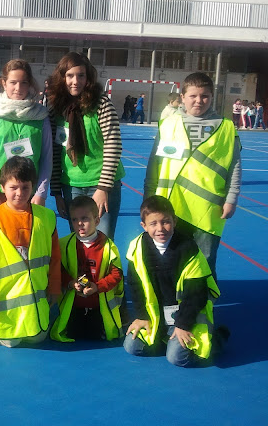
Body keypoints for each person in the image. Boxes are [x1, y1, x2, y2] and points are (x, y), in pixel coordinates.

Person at [144, 72, 241, 278]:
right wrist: (149, 197)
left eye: (205, 96)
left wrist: (231, 199)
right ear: (182, 97)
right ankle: (175, 298)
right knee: (172, 259)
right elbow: (154, 164)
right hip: (171, 206)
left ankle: (203, 298)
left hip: (208, 209)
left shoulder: (226, 127)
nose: (199, 101)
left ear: (212, 97)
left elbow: (235, 166)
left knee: (205, 261)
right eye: (193, 96)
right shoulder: (168, 124)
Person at [123, 196, 221, 367]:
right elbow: (135, 285)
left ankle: (217, 340)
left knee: (177, 358)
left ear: (174, 221)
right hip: (158, 317)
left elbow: (196, 294)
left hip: (185, 315)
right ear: (144, 226)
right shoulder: (137, 248)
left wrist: (183, 325)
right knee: (132, 346)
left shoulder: (189, 249)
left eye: (165, 222)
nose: (160, 228)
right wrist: (142, 316)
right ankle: (166, 339)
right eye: (153, 224)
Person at [0, 156, 61, 347]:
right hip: (4, 301)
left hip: (34, 303)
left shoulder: (46, 218)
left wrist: (55, 287)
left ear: (33, 187)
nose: (19, 193)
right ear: (2, 187)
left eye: (25, 187)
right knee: (8, 342)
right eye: (13, 187)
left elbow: (54, 258)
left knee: (38, 337)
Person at [47, 52, 125, 240]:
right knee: (79, 243)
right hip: (71, 186)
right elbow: (55, 152)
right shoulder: (56, 108)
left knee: (102, 242)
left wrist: (103, 188)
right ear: (62, 77)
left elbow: (113, 145)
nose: (75, 81)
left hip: (102, 184)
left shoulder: (101, 104)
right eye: (70, 76)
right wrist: (57, 193)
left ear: (88, 77)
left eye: (81, 75)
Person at [0, 59, 52, 211]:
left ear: (29, 84)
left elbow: (47, 157)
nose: (18, 88)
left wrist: (41, 193)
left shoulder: (41, 116)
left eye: (24, 82)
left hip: (30, 195)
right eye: (13, 82)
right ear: (4, 84)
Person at [51, 195, 123, 342]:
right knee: (73, 334)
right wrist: (70, 282)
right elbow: (58, 269)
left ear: (96, 221)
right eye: (74, 219)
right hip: (75, 305)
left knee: (96, 337)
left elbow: (116, 274)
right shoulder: (64, 244)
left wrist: (98, 286)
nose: (79, 224)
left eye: (84, 218)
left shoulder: (108, 247)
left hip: (98, 306)